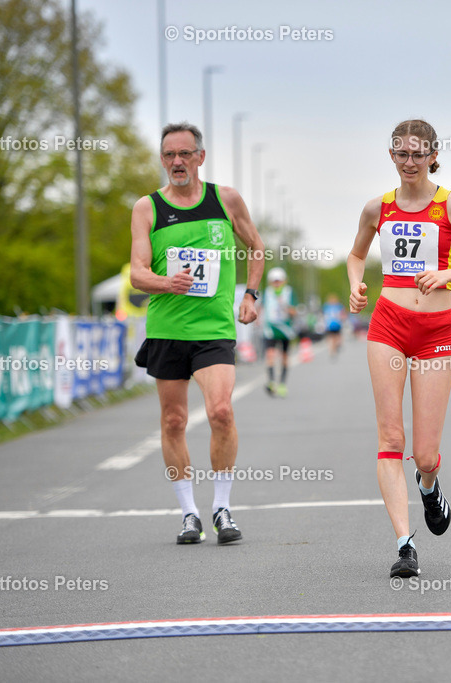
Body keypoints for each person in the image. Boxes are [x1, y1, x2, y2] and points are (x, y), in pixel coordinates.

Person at [347, 119, 451, 578]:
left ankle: (429, 484)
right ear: (392, 156)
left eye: (419, 153)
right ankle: (404, 544)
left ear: (433, 155)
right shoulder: (376, 208)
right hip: (388, 325)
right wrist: (357, 285)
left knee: (424, 454)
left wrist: (448, 276)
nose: (410, 161)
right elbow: (356, 254)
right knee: (390, 439)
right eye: (402, 153)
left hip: (437, 328)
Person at [130, 121, 265, 545]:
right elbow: (136, 274)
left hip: (214, 329)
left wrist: (252, 295)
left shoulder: (224, 200)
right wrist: (165, 282)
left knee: (221, 411)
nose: (176, 162)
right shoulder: (147, 208)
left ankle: (222, 507)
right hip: (168, 329)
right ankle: (189, 513)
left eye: (184, 154)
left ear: (200, 157)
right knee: (173, 421)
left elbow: (257, 247)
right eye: (169, 155)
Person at [259, 267, 297, 397]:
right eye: (274, 281)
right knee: (270, 355)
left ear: (283, 281)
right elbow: (262, 308)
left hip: (285, 329)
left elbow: (294, 312)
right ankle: (271, 381)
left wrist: (285, 305)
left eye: (279, 281)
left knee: (284, 357)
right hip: (271, 329)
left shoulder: (289, 292)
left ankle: (282, 384)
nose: (276, 283)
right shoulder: (267, 292)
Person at [322, 293, 346, 359]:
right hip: (335, 324)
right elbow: (343, 314)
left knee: (331, 337)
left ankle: (332, 349)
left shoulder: (326, 306)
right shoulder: (339, 306)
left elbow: (324, 315)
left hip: (330, 324)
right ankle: (335, 347)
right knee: (335, 337)